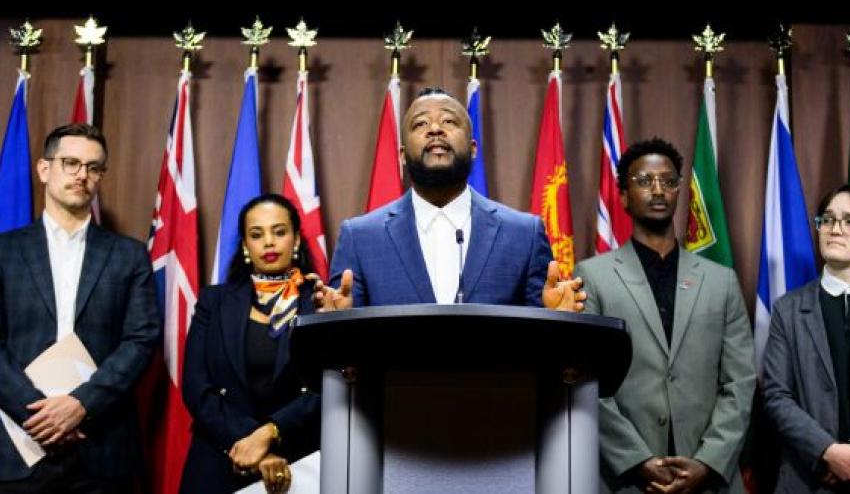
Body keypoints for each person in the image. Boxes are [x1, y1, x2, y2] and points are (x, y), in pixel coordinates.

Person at [574, 138, 755, 494]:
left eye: (668, 181)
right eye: (644, 181)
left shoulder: (721, 281)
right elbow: (587, 379)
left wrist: (708, 462)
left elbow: (740, 382)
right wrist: (637, 461)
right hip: (627, 479)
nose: (658, 190)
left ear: (678, 192)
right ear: (623, 196)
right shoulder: (592, 276)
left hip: (708, 478)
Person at [314, 87, 584, 312]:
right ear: (402, 156)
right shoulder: (361, 238)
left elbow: (542, 338)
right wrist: (335, 324)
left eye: (449, 122)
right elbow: (345, 341)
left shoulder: (523, 234)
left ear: (473, 149)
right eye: (420, 123)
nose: (435, 129)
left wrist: (559, 320)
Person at [0, 124, 160, 492]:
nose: (81, 175)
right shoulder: (4, 252)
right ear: (44, 169)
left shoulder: (129, 255)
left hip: (102, 445)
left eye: (93, 167)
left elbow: (140, 340)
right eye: (70, 163)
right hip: (19, 445)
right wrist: (38, 413)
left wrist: (80, 405)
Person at [762, 184, 850, 493]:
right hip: (808, 478)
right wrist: (826, 451)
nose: (834, 229)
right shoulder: (788, 309)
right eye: (827, 220)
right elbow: (775, 394)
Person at [180, 194, 320, 494]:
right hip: (219, 459)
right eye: (257, 235)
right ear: (245, 246)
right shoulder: (214, 302)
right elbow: (196, 386)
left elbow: (326, 389)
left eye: (279, 232)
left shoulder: (321, 302)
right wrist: (251, 445)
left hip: (298, 463)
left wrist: (271, 432)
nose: (268, 242)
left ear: (296, 239)